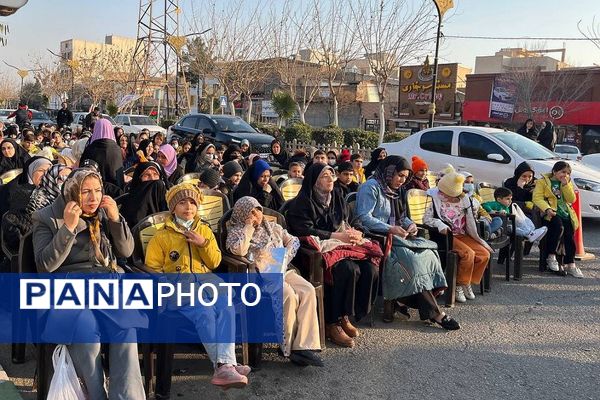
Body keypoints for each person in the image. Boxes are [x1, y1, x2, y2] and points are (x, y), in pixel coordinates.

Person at [32, 169, 146, 399]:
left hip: (106, 285)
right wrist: (68, 228)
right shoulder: (46, 216)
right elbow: (45, 265)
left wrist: (115, 219)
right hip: (67, 288)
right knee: (86, 333)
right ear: (73, 192)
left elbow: (126, 251)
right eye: (85, 192)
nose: (93, 198)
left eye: (97, 191)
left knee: (126, 331)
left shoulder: (102, 214)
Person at [145, 183, 250, 389]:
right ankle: (225, 365)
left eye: (192, 202)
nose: (188, 207)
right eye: (182, 202)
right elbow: (153, 268)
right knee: (205, 313)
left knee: (226, 307)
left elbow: (215, 262)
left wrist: (203, 243)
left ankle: (225, 364)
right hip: (180, 290)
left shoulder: (204, 230)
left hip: (208, 285)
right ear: (173, 207)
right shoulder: (162, 236)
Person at [356, 156, 459, 329]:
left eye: (405, 177)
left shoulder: (397, 189)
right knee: (413, 261)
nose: (402, 180)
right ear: (389, 172)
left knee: (427, 254)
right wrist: (390, 228)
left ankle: (417, 305)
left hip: (398, 236)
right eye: (399, 175)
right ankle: (435, 313)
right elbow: (363, 217)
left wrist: (410, 225)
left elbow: (402, 217)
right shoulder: (371, 187)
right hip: (377, 238)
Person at [286, 163, 380, 348]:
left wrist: (355, 232)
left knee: (370, 268)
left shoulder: (336, 196)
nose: (330, 180)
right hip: (314, 252)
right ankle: (332, 322)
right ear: (314, 180)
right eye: (324, 176)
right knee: (348, 269)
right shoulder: (303, 202)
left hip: (339, 245)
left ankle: (346, 314)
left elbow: (348, 220)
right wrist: (337, 236)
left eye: (331, 175)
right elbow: (303, 230)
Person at [226, 196, 323, 366]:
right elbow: (238, 250)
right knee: (288, 295)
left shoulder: (272, 227)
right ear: (242, 214)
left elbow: (292, 240)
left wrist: (284, 255)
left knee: (307, 290)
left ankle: (303, 346)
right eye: (250, 212)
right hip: (260, 276)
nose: (255, 215)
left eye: (257, 210)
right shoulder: (236, 230)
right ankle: (288, 347)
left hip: (282, 270)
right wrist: (248, 226)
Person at [423, 165, 492, 304]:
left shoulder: (465, 199)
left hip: (463, 234)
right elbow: (427, 219)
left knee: (484, 254)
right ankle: (458, 285)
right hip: (446, 236)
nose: (444, 195)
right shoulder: (434, 197)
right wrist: (440, 225)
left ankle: (466, 282)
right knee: (468, 254)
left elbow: (473, 216)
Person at [533, 161, 583, 278]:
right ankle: (551, 256)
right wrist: (547, 209)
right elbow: (537, 198)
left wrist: (565, 185)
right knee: (558, 227)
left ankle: (570, 264)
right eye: (562, 172)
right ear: (555, 171)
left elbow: (571, 199)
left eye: (567, 173)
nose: (565, 175)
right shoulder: (543, 182)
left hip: (565, 212)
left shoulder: (566, 182)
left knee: (569, 234)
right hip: (550, 213)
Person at [482, 187, 547, 242]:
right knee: (515, 229)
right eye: (507, 199)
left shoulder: (506, 208)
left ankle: (531, 233)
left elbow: (508, 215)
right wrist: (493, 211)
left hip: (505, 225)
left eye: (511, 199)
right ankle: (530, 235)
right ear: (499, 199)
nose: (510, 201)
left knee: (520, 226)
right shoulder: (495, 204)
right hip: (502, 226)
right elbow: (485, 205)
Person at [121, 162, 169, 229]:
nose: (152, 178)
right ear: (139, 179)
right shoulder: (129, 202)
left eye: (155, 174)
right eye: (147, 175)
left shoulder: (170, 200)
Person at [80, 118, 125, 189]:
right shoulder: (117, 149)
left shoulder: (90, 148)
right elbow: (119, 174)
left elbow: (82, 169)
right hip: (115, 191)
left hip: (94, 190)